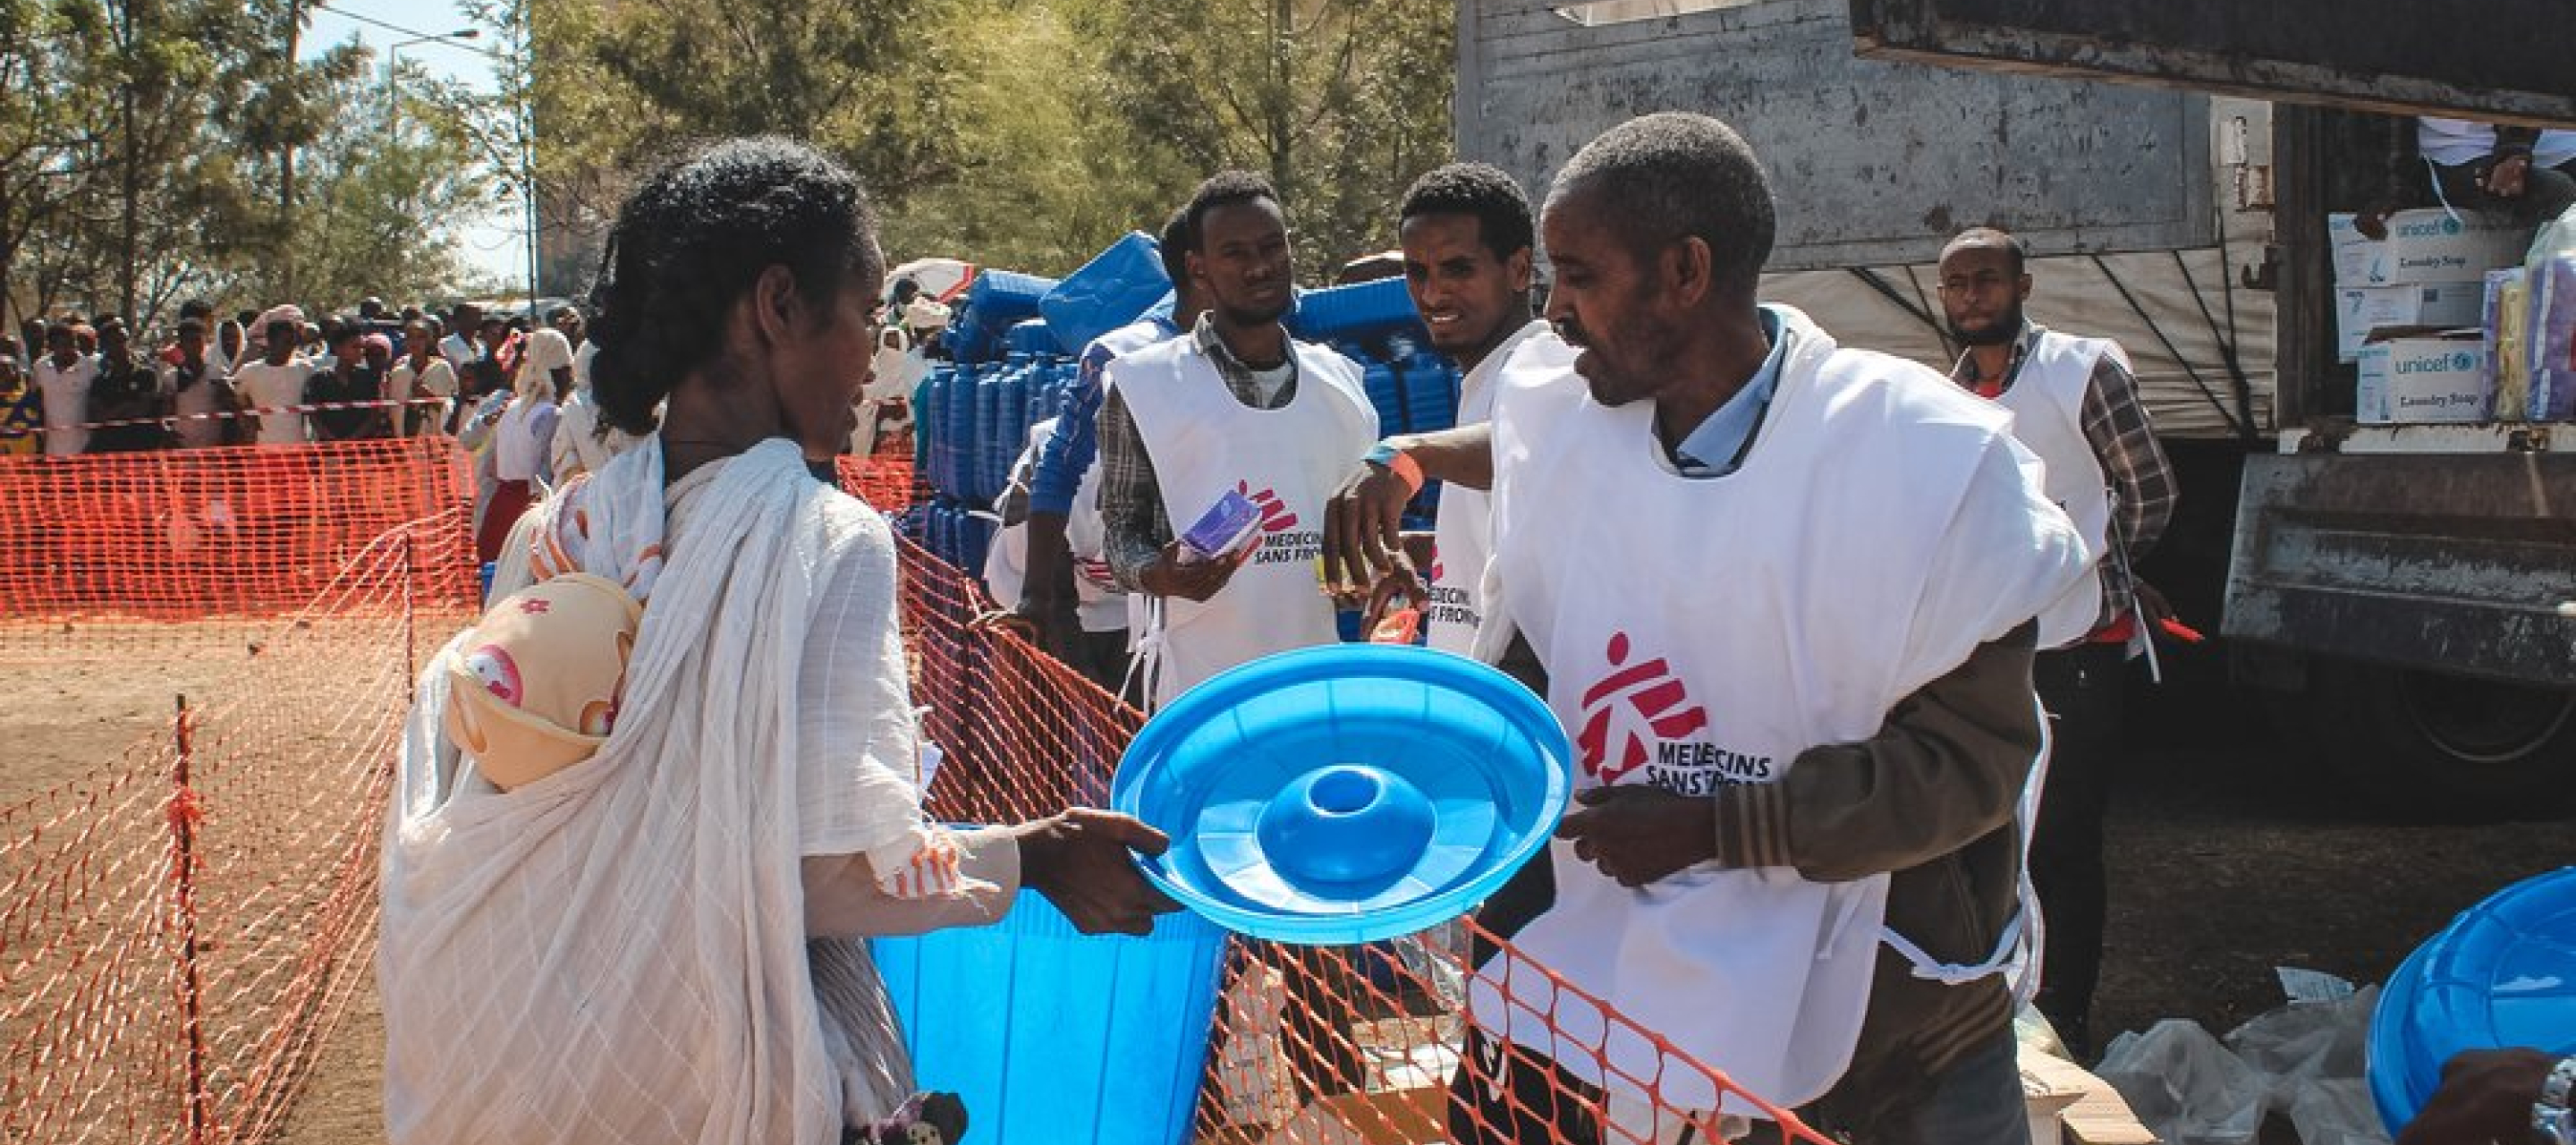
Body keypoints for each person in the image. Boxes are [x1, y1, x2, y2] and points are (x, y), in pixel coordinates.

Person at [379, 135, 1178, 1145]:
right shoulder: (817, 539)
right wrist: (1032, 857)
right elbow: (816, 871)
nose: (872, 361)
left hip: (513, 1061)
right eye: (863, 318)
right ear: (779, 305)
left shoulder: (567, 529)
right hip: (709, 1079)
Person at [1332, 113, 2089, 1145]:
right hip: (1655, 1001)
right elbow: (1525, 519)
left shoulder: (1924, 463)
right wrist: (1405, 456)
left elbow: (1966, 767)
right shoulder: (1580, 424)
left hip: (1891, 1017)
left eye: (1579, 276)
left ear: (1685, 272)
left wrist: (1713, 827)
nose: (1552, 313)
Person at [1936, 226, 2177, 1057]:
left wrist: (2104, 572)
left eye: (1988, 281)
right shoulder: (1954, 392)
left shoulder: (2082, 369)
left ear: (2024, 285)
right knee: (2005, 828)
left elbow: (2148, 489)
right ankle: (2014, 1003)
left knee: (2067, 837)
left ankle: (2069, 1012)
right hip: (2002, 641)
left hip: (2080, 637)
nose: (1973, 297)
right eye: (1958, 285)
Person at [1095, 171, 1377, 709]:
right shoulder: (1145, 386)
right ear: (1198, 267)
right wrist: (1161, 573)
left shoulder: (1343, 384)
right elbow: (1120, 536)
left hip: (1322, 680)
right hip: (1202, 688)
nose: (1259, 266)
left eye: (1273, 246)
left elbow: (1357, 537)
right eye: (1235, 252)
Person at [1326, 161, 1568, 657]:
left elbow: (1532, 440)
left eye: (1458, 269)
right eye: (1417, 273)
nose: (1433, 294)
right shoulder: (1484, 376)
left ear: (1519, 269)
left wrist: (1407, 455)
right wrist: (1429, 553)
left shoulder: (1545, 366)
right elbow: (1517, 541)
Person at [998, 208, 1206, 688]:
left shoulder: (1175, 463)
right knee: (1060, 707)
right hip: (1044, 592)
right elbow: (1051, 592)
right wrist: (1081, 678)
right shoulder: (1060, 466)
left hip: (1126, 607)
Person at [2358, 116, 2576, 239]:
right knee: (2556, 191)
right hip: (2455, 151)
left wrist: (2514, 151)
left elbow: (2528, 77)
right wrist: (2394, 190)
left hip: (2536, 137)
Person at [236, 318, 313, 446]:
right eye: (286, 342)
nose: (292, 346)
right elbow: (231, 396)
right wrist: (249, 420)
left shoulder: (305, 368)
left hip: (299, 447)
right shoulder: (249, 371)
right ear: (270, 342)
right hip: (264, 447)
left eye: (294, 341)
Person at [304, 327, 390, 442]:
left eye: (362, 347)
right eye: (355, 347)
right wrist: (332, 440)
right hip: (329, 451)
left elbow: (374, 416)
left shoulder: (370, 378)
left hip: (363, 449)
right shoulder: (319, 379)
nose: (360, 351)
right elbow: (313, 416)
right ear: (338, 348)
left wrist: (352, 439)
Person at [32, 321, 100, 457]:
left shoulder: (90, 367)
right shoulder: (40, 367)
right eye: (63, 345)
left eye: (72, 344)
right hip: (51, 449)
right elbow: (36, 402)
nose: (69, 350)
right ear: (51, 346)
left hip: (84, 447)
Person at [166, 318, 235, 449]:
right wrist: (169, 434)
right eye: (190, 341)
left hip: (213, 448)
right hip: (182, 448)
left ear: (205, 343)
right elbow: (166, 413)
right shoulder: (171, 378)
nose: (195, 345)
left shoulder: (219, 374)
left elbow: (231, 411)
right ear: (180, 345)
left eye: (198, 340)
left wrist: (228, 394)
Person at [387, 320, 457, 437]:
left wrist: (429, 397)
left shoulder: (442, 368)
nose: (414, 342)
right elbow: (394, 411)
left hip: (436, 440)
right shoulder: (398, 372)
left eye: (420, 337)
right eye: (410, 337)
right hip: (405, 441)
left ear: (428, 340)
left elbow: (453, 409)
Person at [0, 353, 40, 456]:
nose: (1, 375)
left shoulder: (29, 397)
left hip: (27, 462)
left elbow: (40, 426)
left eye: (5, 371)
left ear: (17, 373)